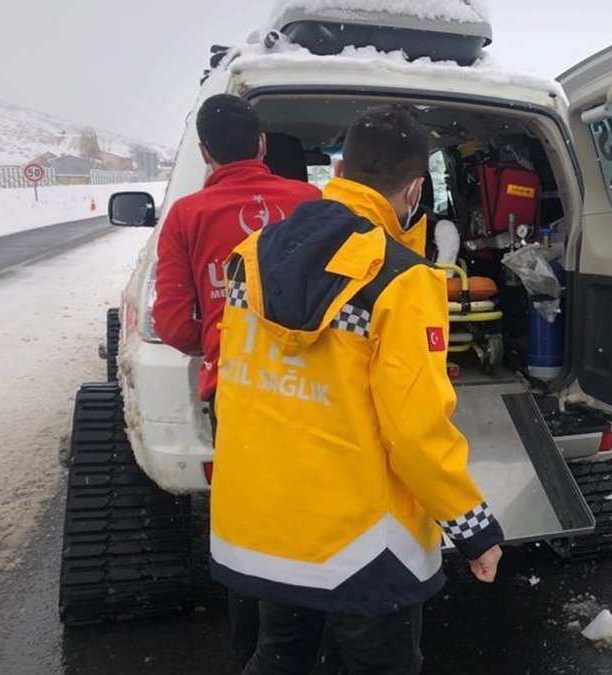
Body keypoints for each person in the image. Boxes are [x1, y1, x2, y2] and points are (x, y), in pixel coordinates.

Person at [210, 104, 504, 675]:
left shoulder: (251, 256)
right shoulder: (402, 278)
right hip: (360, 545)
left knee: (280, 657)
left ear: (341, 168)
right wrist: (473, 529)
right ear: (415, 187)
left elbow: (238, 389)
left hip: (264, 524)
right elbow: (415, 430)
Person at [150, 93, 320, 668]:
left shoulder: (187, 215)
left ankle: (257, 647)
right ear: (263, 144)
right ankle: (317, 631)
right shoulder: (310, 200)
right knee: (314, 509)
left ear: (205, 153)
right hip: (316, 387)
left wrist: (222, 338)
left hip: (241, 393)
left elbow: (171, 321)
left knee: (252, 524)